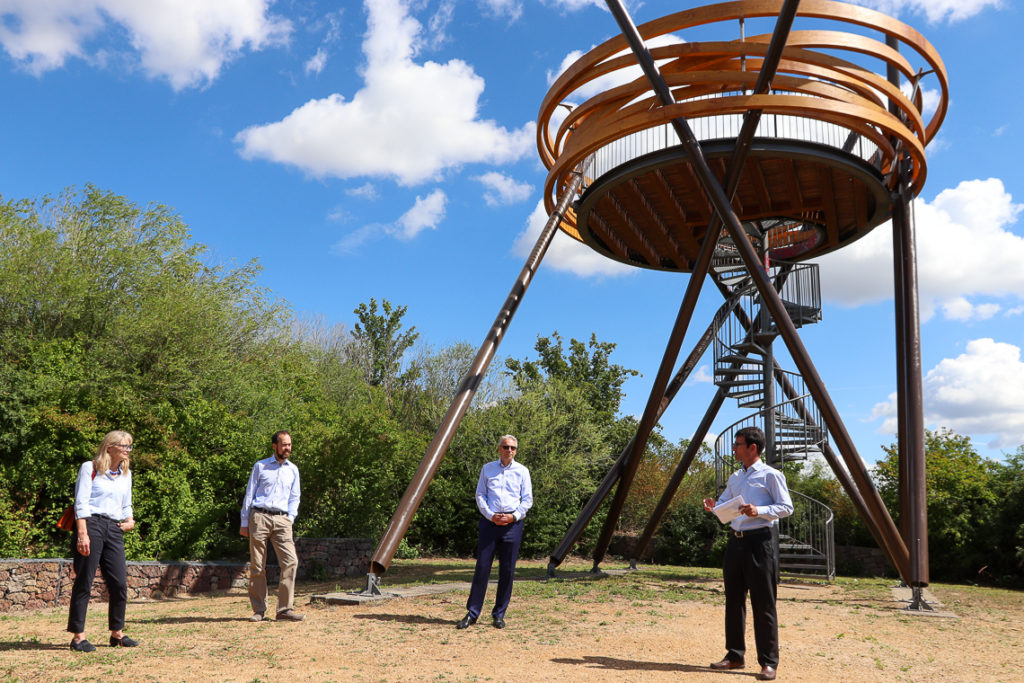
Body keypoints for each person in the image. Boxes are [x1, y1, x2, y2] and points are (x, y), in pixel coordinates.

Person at [703, 426, 793, 681]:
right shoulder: (735, 477)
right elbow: (724, 505)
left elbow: (786, 507)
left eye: (738, 444)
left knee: (763, 604)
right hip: (736, 543)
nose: (734, 448)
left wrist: (760, 510)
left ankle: (768, 662)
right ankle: (734, 656)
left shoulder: (771, 475)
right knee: (733, 601)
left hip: (760, 543)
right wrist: (713, 507)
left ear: (753, 448)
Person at [67, 430, 138, 652]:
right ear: (109, 447)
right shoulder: (91, 468)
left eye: (129, 446)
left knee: (119, 583)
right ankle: (78, 637)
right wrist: (82, 533)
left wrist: (130, 520)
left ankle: (117, 633)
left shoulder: (126, 474)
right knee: (84, 581)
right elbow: (81, 503)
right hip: (92, 524)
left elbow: (126, 503)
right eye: (124, 446)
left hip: (115, 528)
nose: (128, 450)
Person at [456, 434, 533, 630]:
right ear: (499, 448)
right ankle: (472, 613)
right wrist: (490, 515)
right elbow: (480, 494)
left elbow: (527, 499)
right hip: (490, 523)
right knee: (482, 568)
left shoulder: (522, 471)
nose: (509, 451)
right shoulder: (487, 469)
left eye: (513, 448)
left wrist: (513, 516)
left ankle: (499, 614)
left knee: (507, 571)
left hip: (512, 525)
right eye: (506, 447)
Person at [240, 430, 304, 622]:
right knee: (258, 565)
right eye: (284, 444)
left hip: (283, 519)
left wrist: (290, 518)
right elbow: (249, 494)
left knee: (290, 561)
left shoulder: (293, 470)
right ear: (275, 446)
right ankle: (259, 610)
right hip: (259, 516)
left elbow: (295, 497)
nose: (288, 448)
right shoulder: (260, 466)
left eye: (290, 445)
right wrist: (244, 522)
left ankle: (284, 610)